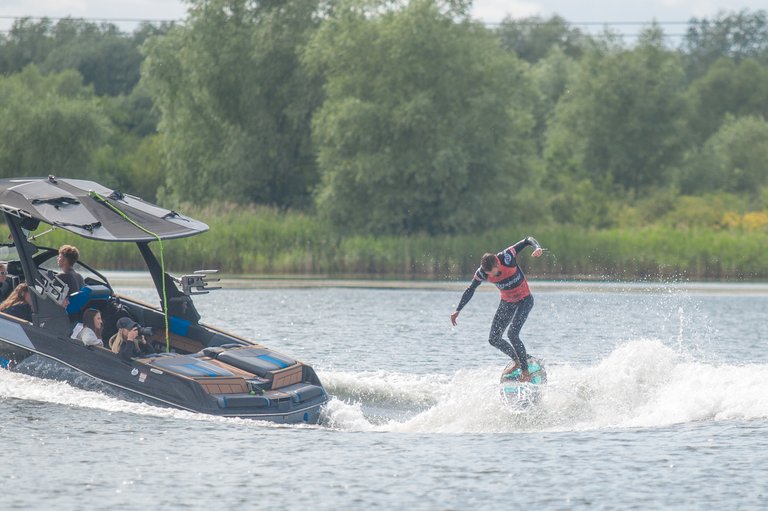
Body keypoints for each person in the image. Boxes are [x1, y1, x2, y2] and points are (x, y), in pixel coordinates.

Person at [450, 237, 543, 382]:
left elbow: (527, 240)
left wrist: (536, 247)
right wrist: (458, 310)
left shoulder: (507, 257)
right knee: (493, 338)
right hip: (507, 302)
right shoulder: (482, 272)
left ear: (497, 263)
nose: (490, 276)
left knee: (512, 334)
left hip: (525, 300)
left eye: (492, 273)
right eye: (488, 274)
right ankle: (517, 360)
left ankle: (525, 371)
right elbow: (470, 289)